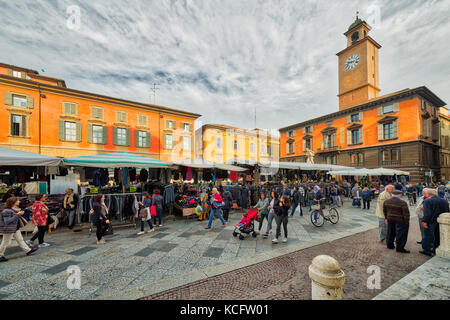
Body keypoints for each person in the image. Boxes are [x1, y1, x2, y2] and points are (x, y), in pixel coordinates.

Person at [0, 197, 38, 262]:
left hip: (15, 228)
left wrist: (18, 214)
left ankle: (28, 250)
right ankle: (0, 255)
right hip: (8, 229)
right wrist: (17, 215)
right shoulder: (6, 211)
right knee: (5, 242)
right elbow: (7, 221)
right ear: (13, 202)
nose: (19, 201)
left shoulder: (13, 209)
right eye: (17, 200)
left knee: (20, 240)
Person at [420, 188, 449, 256]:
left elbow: (427, 213)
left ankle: (427, 250)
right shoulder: (444, 201)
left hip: (430, 221)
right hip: (440, 221)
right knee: (438, 236)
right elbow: (447, 211)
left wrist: (424, 221)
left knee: (427, 236)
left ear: (428, 194)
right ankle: (435, 249)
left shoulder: (427, 201)